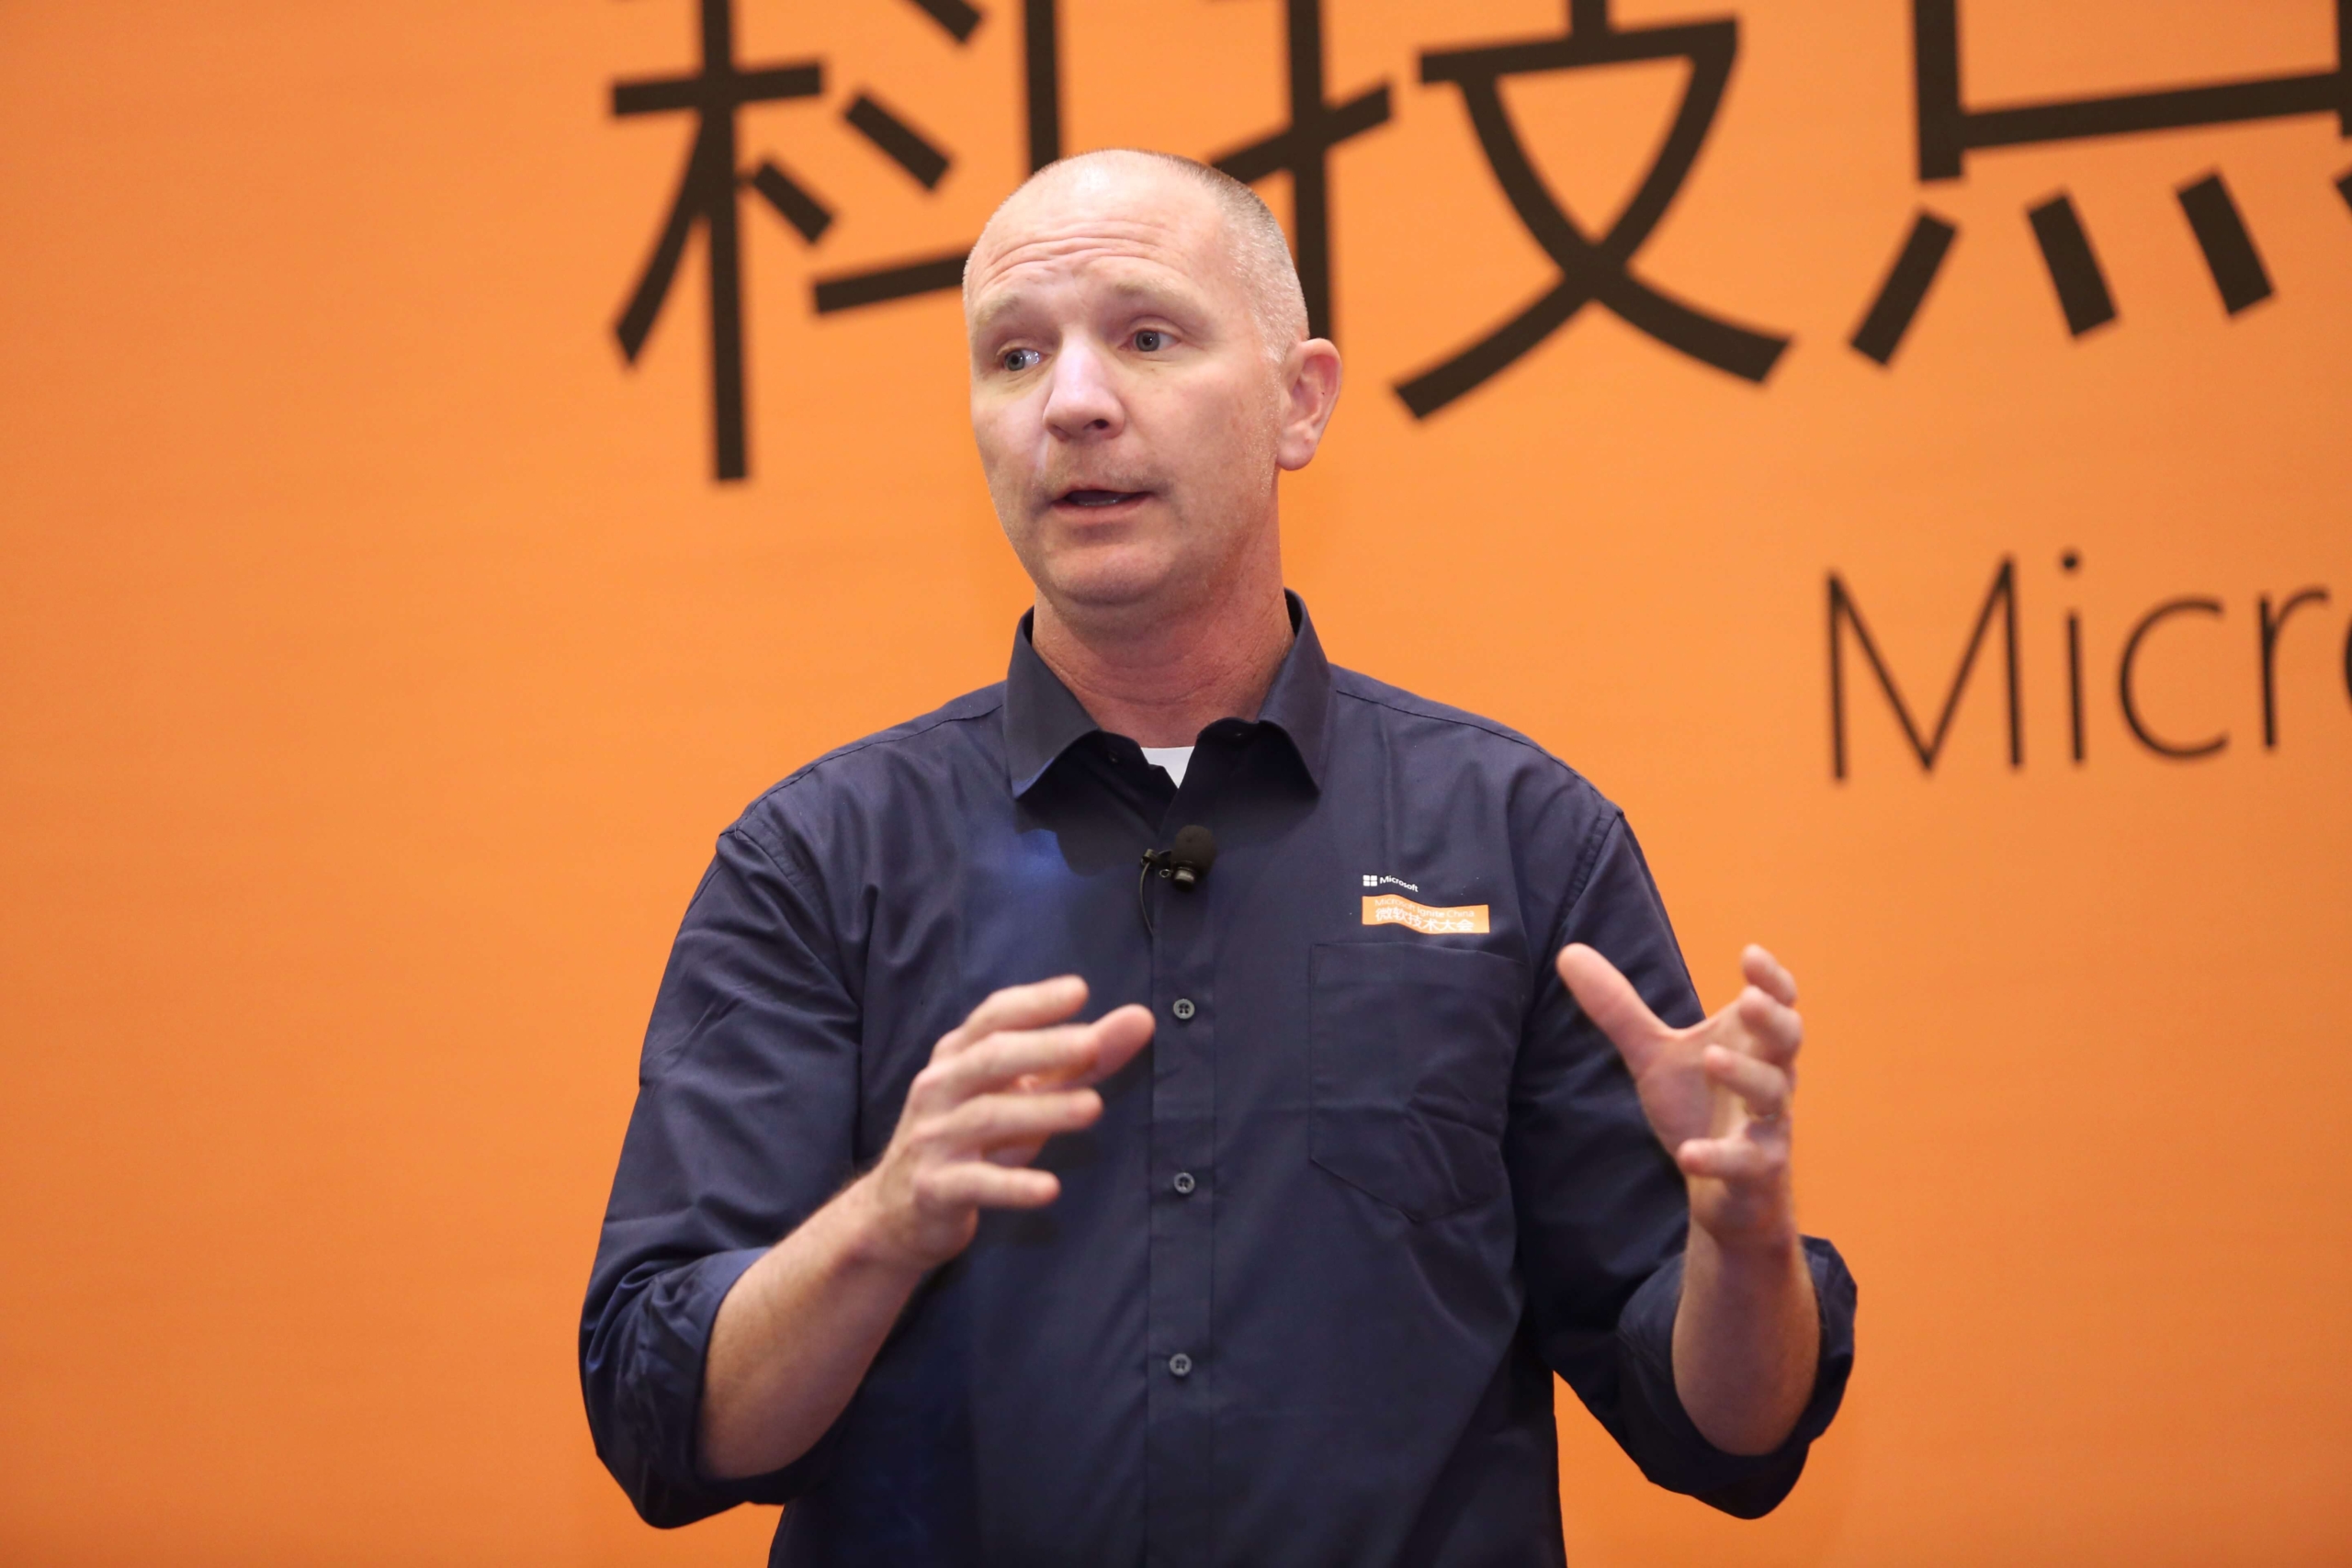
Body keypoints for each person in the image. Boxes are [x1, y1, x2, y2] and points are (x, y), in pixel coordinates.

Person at [581, 148, 1855, 1566]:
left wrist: (1743, 1247)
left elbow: (1729, 1439)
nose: (1071, 401)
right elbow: (665, 1416)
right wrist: (882, 1224)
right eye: (1013, 357)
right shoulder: (817, 862)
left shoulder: (1520, 837)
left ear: (1298, 403)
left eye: (1145, 335)